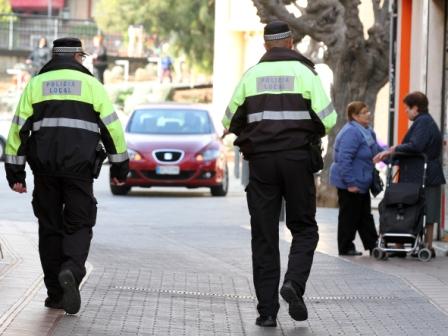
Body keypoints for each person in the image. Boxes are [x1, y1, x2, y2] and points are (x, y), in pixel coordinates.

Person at [222, 21, 336, 327]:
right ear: (291, 42)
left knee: (264, 236)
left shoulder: (251, 75)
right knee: (304, 229)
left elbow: (229, 120)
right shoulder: (305, 74)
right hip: (298, 161)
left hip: (261, 165)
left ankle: (267, 312)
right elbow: (329, 118)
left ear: (265, 46)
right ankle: (294, 284)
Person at [4, 37, 129, 314]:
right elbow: (113, 130)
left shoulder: (36, 85)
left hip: (45, 170)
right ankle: (71, 269)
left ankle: (55, 295)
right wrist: (120, 168)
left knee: (49, 227)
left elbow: (18, 131)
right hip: (80, 171)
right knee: (79, 223)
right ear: (76, 56)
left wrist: (16, 172)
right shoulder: (92, 86)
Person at [374, 91, 445, 258]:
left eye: (407, 109)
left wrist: (393, 149)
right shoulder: (424, 121)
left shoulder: (424, 122)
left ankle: (422, 244)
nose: (405, 112)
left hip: (424, 175)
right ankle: (424, 244)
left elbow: (416, 145)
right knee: (426, 210)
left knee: (419, 208)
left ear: (416, 108)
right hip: (425, 174)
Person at [329, 101, 383, 256]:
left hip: (362, 181)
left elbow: (377, 151)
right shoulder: (351, 132)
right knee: (349, 216)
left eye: (368, 111)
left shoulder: (367, 131)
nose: (368, 114)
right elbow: (343, 159)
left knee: (364, 215)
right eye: (364, 112)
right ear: (354, 116)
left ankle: (373, 245)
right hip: (350, 182)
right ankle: (345, 247)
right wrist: (350, 183)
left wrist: (391, 155)